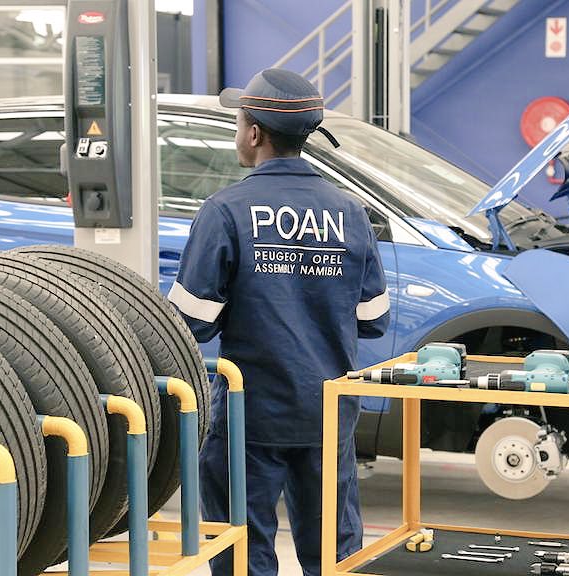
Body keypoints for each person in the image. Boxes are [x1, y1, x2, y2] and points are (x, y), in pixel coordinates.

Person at [167, 68, 390, 576]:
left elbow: (189, 323)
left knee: (242, 550)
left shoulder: (226, 210)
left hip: (252, 415)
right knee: (336, 554)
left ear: (253, 133)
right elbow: (373, 318)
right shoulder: (350, 212)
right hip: (328, 411)